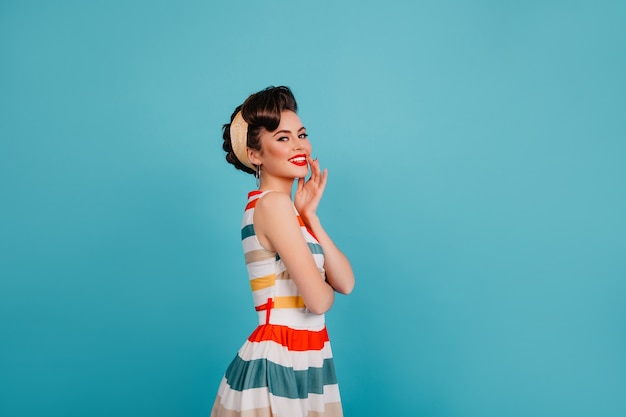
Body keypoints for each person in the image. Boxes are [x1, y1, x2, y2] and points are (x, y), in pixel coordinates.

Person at [210, 86, 355, 417]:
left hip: (303, 355)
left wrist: (310, 217)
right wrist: (323, 288)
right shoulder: (273, 205)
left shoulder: (288, 214)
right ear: (256, 155)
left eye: (301, 134)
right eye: (283, 138)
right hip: (280, 359)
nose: (300, 145)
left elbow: (345, 283)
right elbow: (319, 301)